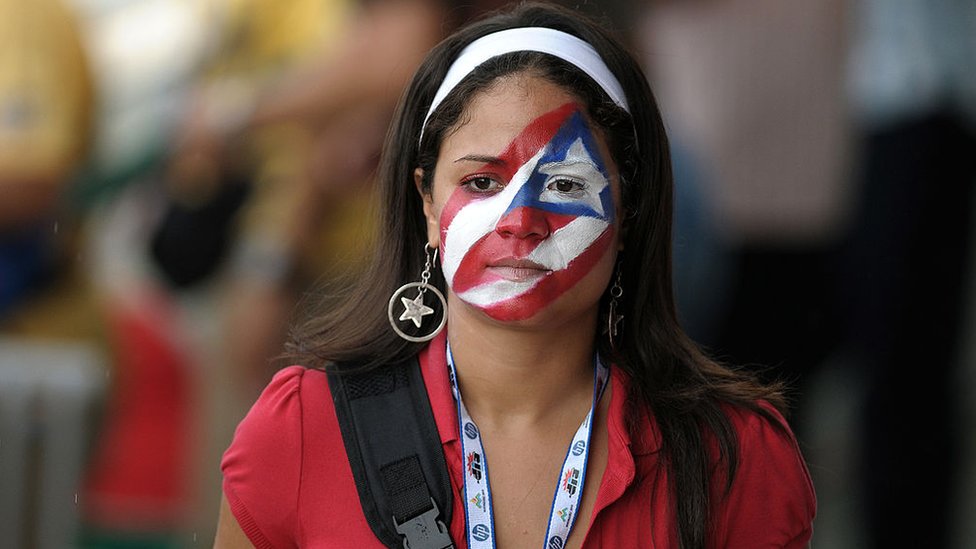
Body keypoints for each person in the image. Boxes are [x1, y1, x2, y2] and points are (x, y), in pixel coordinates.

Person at [215, 3, 816, 548]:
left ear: (629, 210)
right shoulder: (300, 427)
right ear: (426, 204)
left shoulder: (735, 457)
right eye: (482, 183)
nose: (520, 222)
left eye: (563, 184)